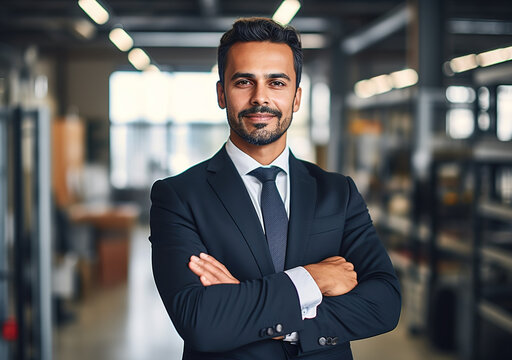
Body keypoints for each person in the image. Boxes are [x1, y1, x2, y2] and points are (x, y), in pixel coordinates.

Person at [149, 17, 401, 360]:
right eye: (243, 82)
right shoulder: (178, 197)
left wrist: (246, 306)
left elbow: (384, 303)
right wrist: (312, 280)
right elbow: (201, 321)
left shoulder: (337, 192)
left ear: (296, 98)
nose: (260, 98)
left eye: (277, 83)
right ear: (222, 93)